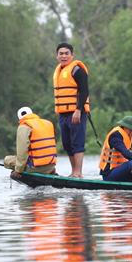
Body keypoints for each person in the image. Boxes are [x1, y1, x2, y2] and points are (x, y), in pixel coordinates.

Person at [53, 42, 90, 178]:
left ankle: (78, 173)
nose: (63, 56)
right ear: (57, 56)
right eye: (61, 53)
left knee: (77, 142)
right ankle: (73, 171)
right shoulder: (59, 71)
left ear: (72, 55)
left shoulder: (77, 70)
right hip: (63, 114)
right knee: (67, 144)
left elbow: (84, 91)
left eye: (66, 53)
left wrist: (78, 110)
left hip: (77, 112)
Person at [4, 107, 58, 179]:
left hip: (35, 168)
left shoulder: (24, 126)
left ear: (19, 118)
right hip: (51, 167)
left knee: (7, 160)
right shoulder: (48, 123)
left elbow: (22, 152)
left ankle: (24, 169)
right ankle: (51, 171)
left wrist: (17, 171)